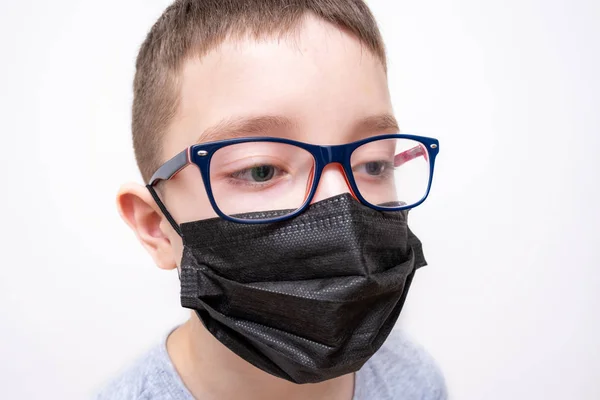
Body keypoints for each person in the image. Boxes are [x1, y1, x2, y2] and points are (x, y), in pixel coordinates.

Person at [98, 0, 447, 399]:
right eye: (260, 169)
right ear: (155, 227)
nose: (342, 204)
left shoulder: (414, 381)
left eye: (373, 165)